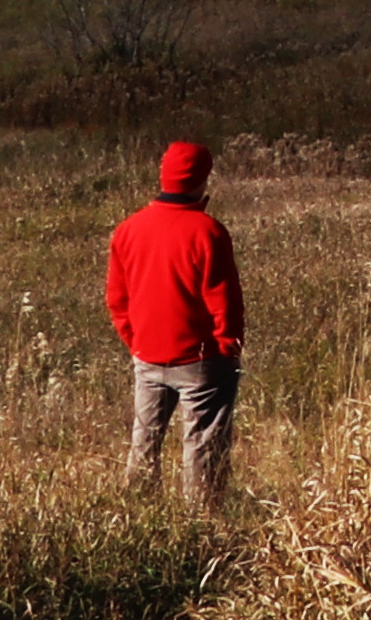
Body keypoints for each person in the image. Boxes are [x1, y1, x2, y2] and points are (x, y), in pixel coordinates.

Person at [103, 138, 244, 510]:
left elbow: (117, 299)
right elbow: (224, 301)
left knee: (143, 443)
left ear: (163, 176)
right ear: (202, 179)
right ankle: (201, 527)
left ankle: (136, 516)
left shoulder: (128, 229)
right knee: (202, 448)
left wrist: (136, 342)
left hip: (147, 356)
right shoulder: (208, 232)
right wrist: (227, 347)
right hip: (201, 361)